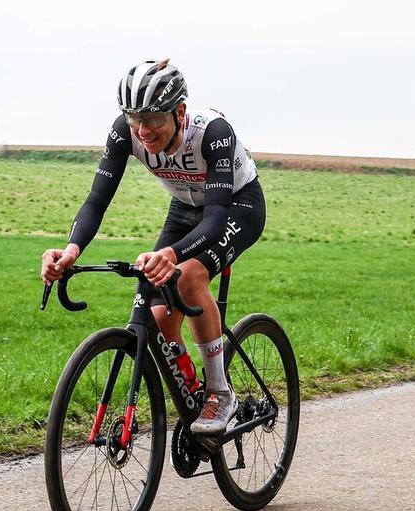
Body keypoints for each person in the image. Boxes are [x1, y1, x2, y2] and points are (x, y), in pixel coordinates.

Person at [40, 59, 265, 435]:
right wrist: (71, 250)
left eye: (153, 119)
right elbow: (97, 200)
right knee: (159, 318)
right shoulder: (125, 132)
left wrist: (173, 255)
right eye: (134, 119)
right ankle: (190, 392)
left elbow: (214, 218)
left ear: (179, 112)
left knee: (189, 278)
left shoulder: (213, 132)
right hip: (185, 207)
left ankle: (220, 392)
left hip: (235, 206)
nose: (142, 130)